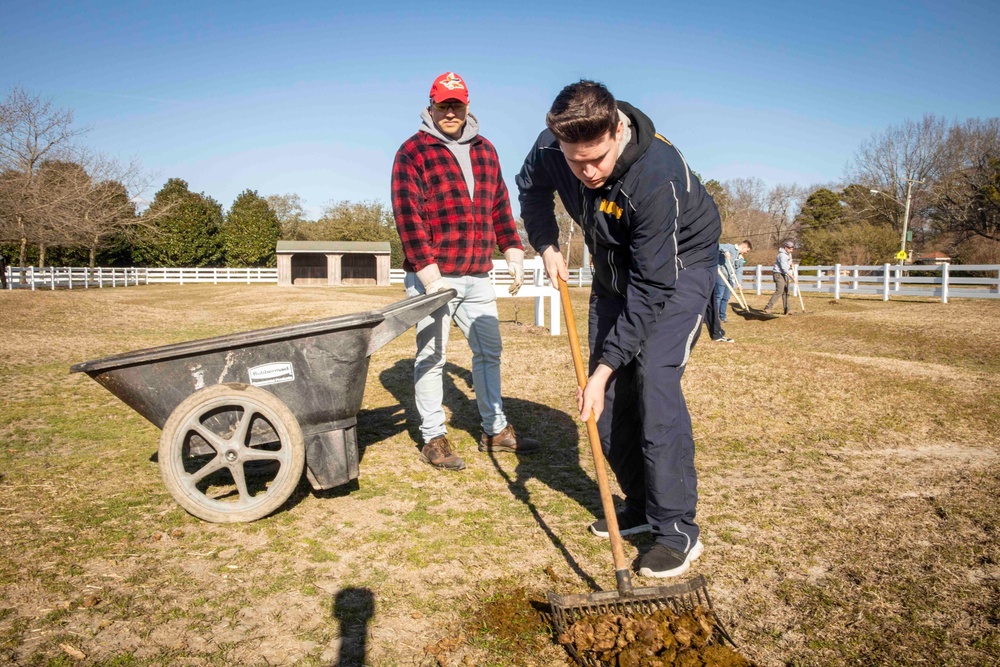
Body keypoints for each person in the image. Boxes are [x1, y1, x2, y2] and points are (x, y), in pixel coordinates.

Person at [516, 80, 721, 578]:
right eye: (575, 160)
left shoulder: (656, 175)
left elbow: (653, 287)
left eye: (599, 160)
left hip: (677, 270)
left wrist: (608, 368)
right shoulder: (550, 148)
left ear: (617, 131)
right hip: (612, 270)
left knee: (651, 379)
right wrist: (544, 243)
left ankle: (676, 528)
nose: (587, 172)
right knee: (600, 407)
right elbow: (531, 188)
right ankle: (641, 505)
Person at [391, 71, 539, 471]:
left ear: (467, 105)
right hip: (435, 276)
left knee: (489, 352)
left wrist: (512, 248)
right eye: (444, 104)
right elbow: (408, 217)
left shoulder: (486, 150)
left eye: (458, 104)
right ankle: (433, 436)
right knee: (432, 356)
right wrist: (427, 271)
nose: (451, 111)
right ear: (432, 106)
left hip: (477, 274)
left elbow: (499, 207)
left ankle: (495, 428)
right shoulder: (412, 151)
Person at [715, 240, 752, 324]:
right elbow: (717, 246)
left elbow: (738, 270)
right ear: (744, 247)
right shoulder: (729, 247)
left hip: (730, 278)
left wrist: (739, 283)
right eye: (747, 250)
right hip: (721, 274)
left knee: (726, 298)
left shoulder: (740, 257)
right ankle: (715, 317)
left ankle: (722, 316)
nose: (746, 252)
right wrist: (725, 251)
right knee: (719, 296)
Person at [763, 240, 795, 315]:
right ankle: (768, 307)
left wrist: (791, 264)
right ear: (786, 247)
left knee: (786, 292)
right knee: (779, 291)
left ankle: (787, 310)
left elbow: (789, 262)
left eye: (792, 248)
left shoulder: (789, 254)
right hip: (778, 274)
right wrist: (792, 276)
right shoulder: (782, 255)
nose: (791, 250)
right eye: (790, 248)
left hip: (785, 274)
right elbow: (784, 268)